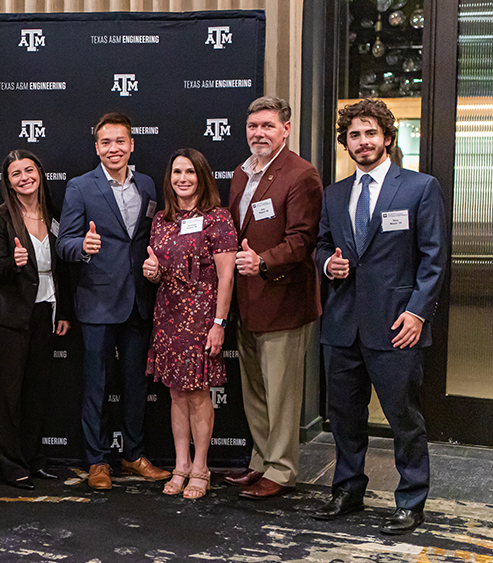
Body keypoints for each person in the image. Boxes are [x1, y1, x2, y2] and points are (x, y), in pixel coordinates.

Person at [313, 98, 446, 534]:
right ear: (346, 143)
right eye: (354, 135)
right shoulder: (333, 194)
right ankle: (347, 490)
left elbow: (433, 260)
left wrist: (417, 314)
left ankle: (410, 500)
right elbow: (321, 245)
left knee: (404, 419)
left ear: (387, 138)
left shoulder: (419, 187)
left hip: (396, 326)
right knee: (345, 418)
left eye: (370, 133)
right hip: (342, 325)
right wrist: (327, 265)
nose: (363, 141)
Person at [56, 112, 171, 491]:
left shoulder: (149, 185)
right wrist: (82, 247)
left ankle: (134, 454)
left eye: (120, 141)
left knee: (136, 384)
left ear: (132, 144)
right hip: (97, 301)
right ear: (97, 148)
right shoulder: (80, 187)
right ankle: (96, 460)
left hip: (139, 300)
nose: (113, 149)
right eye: (106, 143)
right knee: (96, 385)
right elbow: (64, 243)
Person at [224, 96, 323, 499]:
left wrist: (263, 262)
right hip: (245, 302)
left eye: (267, 126)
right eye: (253, 127)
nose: (258, 133)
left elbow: (302, 241)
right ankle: (260, 461)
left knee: (281, 393)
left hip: (282, 299)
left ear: (285, 129)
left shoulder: (301, 175)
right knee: (256, 391)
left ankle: (281, 470)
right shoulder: (240, 172)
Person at [143, 149, 236, 500]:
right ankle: (181, 464)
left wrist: (219, 324)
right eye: (177, 172)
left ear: (202, 176)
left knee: (198, 394)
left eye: (190, 172)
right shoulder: (162, 219)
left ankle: (201, 467)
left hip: (201, 318)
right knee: (176, 393)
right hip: (167, 316)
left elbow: (226, 277)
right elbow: (160, 269)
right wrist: (152, 273)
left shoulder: (218, 219)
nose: (183, 178)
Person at [0, 150, 73, 490]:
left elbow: (62, 269)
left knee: (37, 393)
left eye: (29, 170)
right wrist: (14, 261)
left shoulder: (53, 215)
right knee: (10, 396)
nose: (24, 177)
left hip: (45, 313)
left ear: (40, 172)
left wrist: (62, 310)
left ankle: (34, 459)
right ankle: (10, 464)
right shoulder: (0, 219)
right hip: (11, 317)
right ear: (8, 182)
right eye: (16, 174)